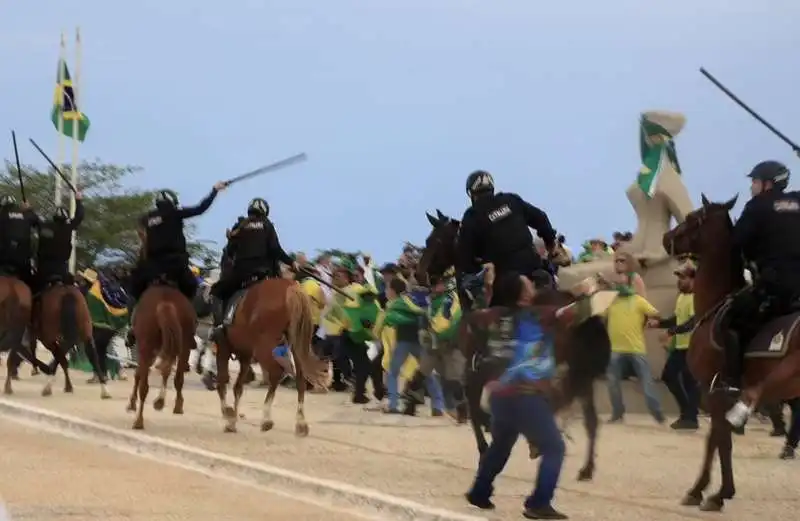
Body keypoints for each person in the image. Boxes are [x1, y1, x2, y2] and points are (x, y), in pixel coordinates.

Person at [465, 273, 568, 519]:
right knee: (554, 447)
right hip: (527, 395)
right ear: (523, 294)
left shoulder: (493, 317)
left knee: (500, 445)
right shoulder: (539, 315)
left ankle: (480, 492)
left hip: (500, 396)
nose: (533, 287)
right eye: (529, 285)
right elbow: (576, 311)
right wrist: (592, 290)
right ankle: (538, 503)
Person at [723, 161, 800, 425]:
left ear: (767, 183)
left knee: (733, 319)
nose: (752, 186)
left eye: (755, 181)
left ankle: (733, 383)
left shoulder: (757, 206)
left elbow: (736, 243)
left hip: (776, 286)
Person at [126, 183, 225, 346]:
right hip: (175, 264)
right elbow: (200, 208)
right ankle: (190, 326)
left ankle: (131, 327)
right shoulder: (175, 213)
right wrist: (214, 191)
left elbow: (142, 234)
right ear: (172, 202)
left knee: (133, 291)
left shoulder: (146, 218)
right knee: (192, 287)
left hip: (151, 266)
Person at [456, 170, 559, 309]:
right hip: (532, 265)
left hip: (504, 279)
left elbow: (465, 257)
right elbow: (541, 218)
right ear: (492, 188)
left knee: (477, 305)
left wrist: (477, 265)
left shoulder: (471, 216)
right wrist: (550, 244)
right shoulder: (511, 200)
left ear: (471, 193)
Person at [210, 197, 297, 341]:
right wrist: (292, 262)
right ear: (265, 212)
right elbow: (275, 249)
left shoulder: (240, 226)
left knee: (217, 292)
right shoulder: (267, 225)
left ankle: (220, 326)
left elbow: (230, 251)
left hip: (242, 274)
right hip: (264, 275)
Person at [653, 260, 699, 430]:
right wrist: (659, 324)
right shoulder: (681, 298)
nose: (680, 281)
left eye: (683, 277)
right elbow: (677, 319)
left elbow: (693, 322)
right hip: (681, 346)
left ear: (694, 279)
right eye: (679, 277)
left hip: (693, 346)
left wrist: (671, 332)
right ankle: (688, 415)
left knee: (688, 381)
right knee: (672, 377)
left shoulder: (696, 297)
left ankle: (690, 417)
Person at [35, 192, 85, 291]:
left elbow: (34, 220)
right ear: (66, 218)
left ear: (54, 217)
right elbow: (79, 216)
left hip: (44, 268)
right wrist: (78, 200)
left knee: (33, 289)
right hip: (62, 268)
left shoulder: (45, 225)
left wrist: (27, 209)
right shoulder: (68, 226)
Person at [0, 194, 39, 286]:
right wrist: (28, 209)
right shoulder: (26, 215)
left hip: (3, 258)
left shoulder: (1, 215)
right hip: (23, 260)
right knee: (31, 284)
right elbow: (37, 221)